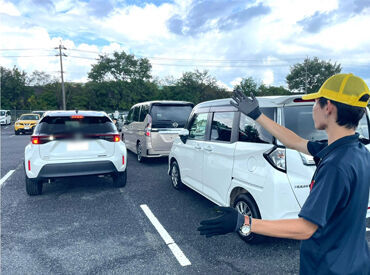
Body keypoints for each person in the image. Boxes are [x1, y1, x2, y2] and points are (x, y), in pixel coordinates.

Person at [197, 73, 370, 274]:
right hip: (355, 261)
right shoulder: (356, 151)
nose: (313, 108)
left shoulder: (335, 165)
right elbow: (294, 141)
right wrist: (257, 115)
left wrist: (243, 221)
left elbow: (305, 228)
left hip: (329, 267)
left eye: (315, 102)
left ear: (328, 107)